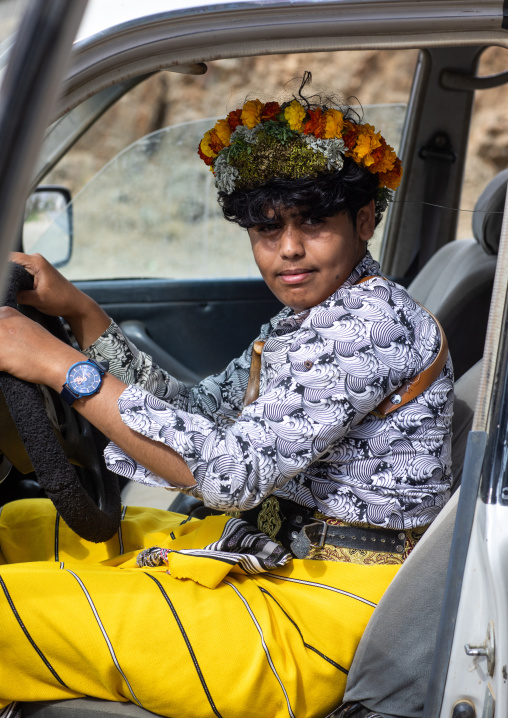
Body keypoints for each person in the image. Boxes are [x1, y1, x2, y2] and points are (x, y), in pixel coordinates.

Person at [0, 80, 453, 718]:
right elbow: (199, 414)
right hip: (273, 555)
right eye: (267, 229)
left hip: (321, 614)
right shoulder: (312, 319)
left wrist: (58, 366)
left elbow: (229, 473)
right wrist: (79, 311)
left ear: (365, 220)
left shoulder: (366, 326)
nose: (288, 249)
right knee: (17, 525)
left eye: (313, 224)